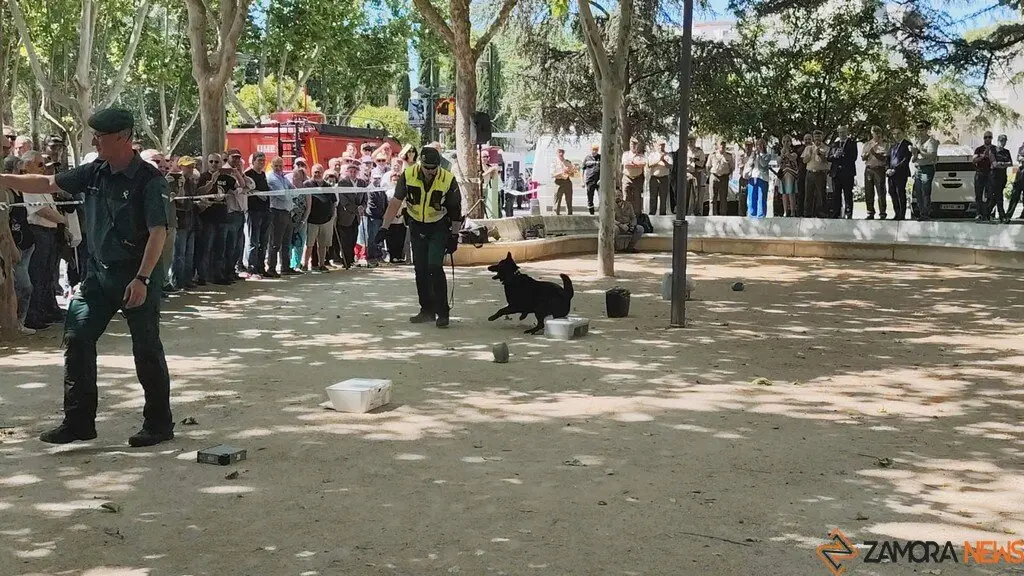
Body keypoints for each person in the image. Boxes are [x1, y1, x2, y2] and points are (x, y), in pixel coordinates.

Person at [0, 108, 174, 446]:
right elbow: (47, 183)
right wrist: (4, 179)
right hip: (98, 276)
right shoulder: (95, 171)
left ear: (123, 138)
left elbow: (158, 232)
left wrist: (142, 278)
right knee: (77, 338)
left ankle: (158, 423)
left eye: (100, 136)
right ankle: (79, 422)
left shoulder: (150, 181)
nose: (94, 140)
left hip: (135, 275)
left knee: (146, 348)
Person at [373, 147, 462, 328]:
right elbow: (396, 202)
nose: (431, 171)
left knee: (434, 267)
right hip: (416, 225)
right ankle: (426, 310)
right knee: (420, 269)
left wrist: (454, 234)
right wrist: (384, 227)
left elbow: (456, 210)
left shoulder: (448, 179)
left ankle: (442, 313)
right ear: (421, 163)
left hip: (438, 226)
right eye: (427, 167)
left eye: (434, 167)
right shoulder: (408, 175)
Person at [910, 120, 939, 221]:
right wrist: (914, 154)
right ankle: (921, 212)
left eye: (922, 130)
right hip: (918, 168)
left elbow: (932, 156)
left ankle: (925, 213)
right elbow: (914, 159)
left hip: (927, 168)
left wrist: (919, 152)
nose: (920, 133)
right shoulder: (917, 142)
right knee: (918, 191)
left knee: (925, 190)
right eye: (918, 131)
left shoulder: (931, 142)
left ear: (927, 130)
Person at [827, 125, 857, 219]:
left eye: (843, 132)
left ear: (846, 132)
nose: (841, 134)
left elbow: (854, 157)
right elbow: (829, 157)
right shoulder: (835, 144)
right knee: (836, 194)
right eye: (840, 132)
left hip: (847, 173)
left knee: (847, 193)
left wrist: (843, 154)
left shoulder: (852, 143)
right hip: (836, 173)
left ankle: (848, 213)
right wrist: (835, 155)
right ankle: (836, 213)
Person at [861, 126, 888, 220]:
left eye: (878, 133)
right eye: (874, 133)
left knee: (881, 191)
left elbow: (884, 158)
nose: (876, 135)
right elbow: (863, 158)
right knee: (868, 191)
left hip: (879, 169)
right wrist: (866, 155)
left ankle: (882, 212)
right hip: (869, 169)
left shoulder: (884, 144)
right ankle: (870, 212)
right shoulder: (868, 144)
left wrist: (874, 153)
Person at [886, 127, 913, 221]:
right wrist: (888, 169)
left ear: (903, 133)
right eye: (894, 134)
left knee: (900, 193)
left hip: (901, 173)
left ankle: (902, 214)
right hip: (891, 174)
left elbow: (905, 160)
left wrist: (895, 169)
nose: (896, 136)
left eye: (898, 133)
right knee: (892, 192)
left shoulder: (907, 144)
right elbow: (888, 159)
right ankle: (896, 213)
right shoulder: (893, 145)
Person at [802, 131, 829, 218]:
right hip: (810, 173)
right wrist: (809, 154)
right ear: (813, 137)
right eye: (815, 137)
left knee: (821, 194)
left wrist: (820, 154)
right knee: (808, 194)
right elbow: (804, 161)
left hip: (820, 173)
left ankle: (821, 213)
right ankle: (807, 213)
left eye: (819, 137)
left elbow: (826, 161)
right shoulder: (808, 148)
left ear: (822, 137)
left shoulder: (826, 148)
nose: (817, 139)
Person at [972, 131, 998, 222]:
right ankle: (978, 214)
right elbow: (974, 160)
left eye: (989, 137)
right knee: (978, 195)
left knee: (990, 194)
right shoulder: (978, 149)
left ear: (992, 138)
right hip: (980, 173)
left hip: (990, 174)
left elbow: (997, 162)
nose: (987, 139)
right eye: (986, 137)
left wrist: (990, 156)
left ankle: (987, 213)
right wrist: (982, 157)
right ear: (983, 138)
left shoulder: (995, 149)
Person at [647, 141, 672, 216]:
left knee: (663, 198)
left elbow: (670, 166)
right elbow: (649, 164)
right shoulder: (652, 155)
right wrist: (659, 160)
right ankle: (652, 214)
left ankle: (662, 214)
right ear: (656, 146)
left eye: (662, 145)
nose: (661, 147)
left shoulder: (668, 155)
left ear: (664, 146)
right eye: (659, 145)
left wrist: (664, 160)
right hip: (654, 178)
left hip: (664, 178)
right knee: (653, 198)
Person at [993, 134, 1013, 223]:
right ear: (998, 141)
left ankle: (985, 212)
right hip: (994, 177)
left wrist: (1001, 164)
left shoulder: (1006, 152)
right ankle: (1002, 216)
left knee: (996, 197)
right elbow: (994, 164)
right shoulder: (994, 151)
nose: (1003, 143)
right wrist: (1003, 164)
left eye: (1004, 141)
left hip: (1002, 177)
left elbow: (1010, 163)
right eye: (1001, 141)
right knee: (998, 196)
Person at [550, 148, 575, 216]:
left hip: (567, 181)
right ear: (557, 153)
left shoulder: (567, 162)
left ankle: (569, 215)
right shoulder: (554, 162)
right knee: (557, 199)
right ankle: (556, 214)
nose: (561, 154)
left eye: (562, 152)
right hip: (558, 182)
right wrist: (562, 173)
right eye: (559, 152)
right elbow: (552, 174)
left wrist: (570, 172)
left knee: (569, 199)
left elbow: (572, 174)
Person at [778, 139, 799, 217]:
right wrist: (782, 154)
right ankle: (785, 211)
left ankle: (793, 211)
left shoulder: (794, 153)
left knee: (791, 193)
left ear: (790, 142)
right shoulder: (780, 153)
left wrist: (787, 152)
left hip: (791, 174)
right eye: (784, 142)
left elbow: (792, 158)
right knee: (784, 193)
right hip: (783, 174)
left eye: (787, 141)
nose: (785, 143)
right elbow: (778, 161)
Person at [582, 144, 600, 215]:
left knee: (601, 198)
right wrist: (582, 181)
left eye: (596, 149)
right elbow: (582, 170)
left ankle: (601, 213)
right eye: (593, 149)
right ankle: (591, 214)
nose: (594, 151)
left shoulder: (600, 157)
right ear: (591, 149)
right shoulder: (587, 158)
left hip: (599, 182)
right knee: (590, 198)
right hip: (590, 181)